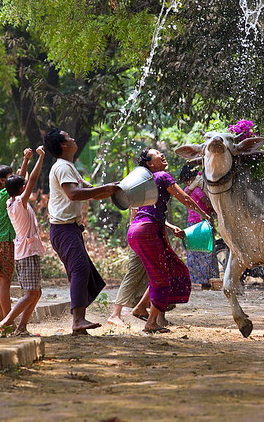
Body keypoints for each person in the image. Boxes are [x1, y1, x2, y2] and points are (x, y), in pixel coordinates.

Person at [44, 128, 123, 334]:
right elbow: (74, 194)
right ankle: (78, 321)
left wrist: (113, 189)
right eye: (69, 137)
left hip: (70, 229)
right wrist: (105, 189)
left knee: (83, 271)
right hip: (64, 229)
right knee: (79, 270)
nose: (73, 138)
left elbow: (91, 192)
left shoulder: (69, 167)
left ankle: (79, 321)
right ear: (63, 145)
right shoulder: (62, 167)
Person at [128, 148, 213, 334]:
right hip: (148, 230)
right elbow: (184, 198)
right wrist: (204, 214)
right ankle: (151, 323)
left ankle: (141, 308)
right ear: (150, 164)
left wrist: (168, 227)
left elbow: (147, 211)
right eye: (157, 153)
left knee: (163, 271)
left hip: (137, 231)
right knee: (162, 277)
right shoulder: (162, 176)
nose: (162, 154)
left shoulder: (146, 180)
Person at [0, 146, 47, 336]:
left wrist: (26, 159)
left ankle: (21, 328)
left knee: (36, 292)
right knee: (31, 293)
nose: (26, 187)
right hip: (27, 253)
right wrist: (40, 158)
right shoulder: (20, 202)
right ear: (21, 189)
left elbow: (21, 177)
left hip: (26, 252)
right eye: (24, 186)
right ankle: (7, 321)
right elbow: (31, 180)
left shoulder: (11, 201)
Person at [0, 148, 34, 325]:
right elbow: (21, 178)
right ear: (3, 181)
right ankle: (7, 320)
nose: (14, 179)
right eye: (10, 177)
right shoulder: (4, 194)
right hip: (5, 241)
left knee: (2, 282)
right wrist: (26, 159)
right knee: (4, 283)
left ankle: (1, 318)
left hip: (2, 241)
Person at [179, 164, 220, 289]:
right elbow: (207, 202)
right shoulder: (197, 190)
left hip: (192, 224)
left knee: (195, 253)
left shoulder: (186, 191)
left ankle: (200, 280)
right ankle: (208, 281)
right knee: (208, 252)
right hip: (203, 223)